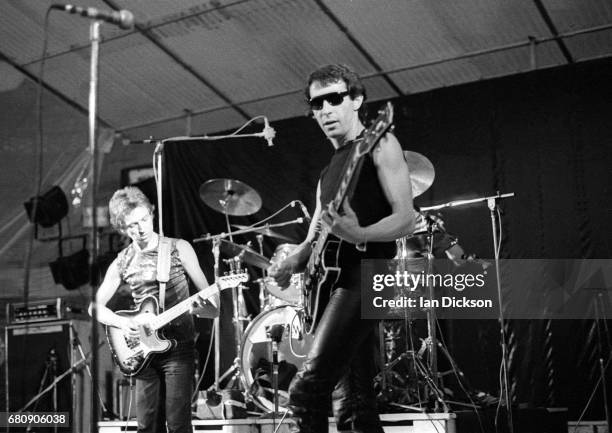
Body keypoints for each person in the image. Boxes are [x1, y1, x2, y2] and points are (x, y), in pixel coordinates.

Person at [268, 64, 415, 433]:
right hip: (330, 284)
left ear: (356, 100)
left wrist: (359, 232)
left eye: (335, 98)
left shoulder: (379, 143)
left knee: (305, 392)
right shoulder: (329, 170)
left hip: (366, 279)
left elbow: (406, 219)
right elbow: (317, 231)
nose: (326, 110)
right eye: (317, 104)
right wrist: (296, 260)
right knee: (354, 407)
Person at [90, 186, 219, 433]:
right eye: (132, 225)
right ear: (122, 228)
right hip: (143, 351)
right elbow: (94, 307)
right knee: (147, 426)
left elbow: (212, 307)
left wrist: (201, 309)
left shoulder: (178, 248)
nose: (141, 228)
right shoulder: (123, 260)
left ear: (152, 213)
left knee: (179, 425)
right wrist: (123, 323)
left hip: (178, 349)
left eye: (144, 219)